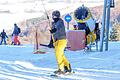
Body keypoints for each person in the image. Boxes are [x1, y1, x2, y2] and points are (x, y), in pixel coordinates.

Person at [50, 10, 72, 74]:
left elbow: (58, 27)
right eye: (53, 16)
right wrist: (51, 41)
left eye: (55, 16)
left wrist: (54, 29)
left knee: (58, 55)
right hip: (56, 41)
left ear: (58, 16)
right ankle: (67, 66)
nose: (54, 17)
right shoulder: (53, 23)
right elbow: (53, 34)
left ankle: (61, 69)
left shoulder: (60, 22)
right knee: (61, 55)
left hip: (61, 40)